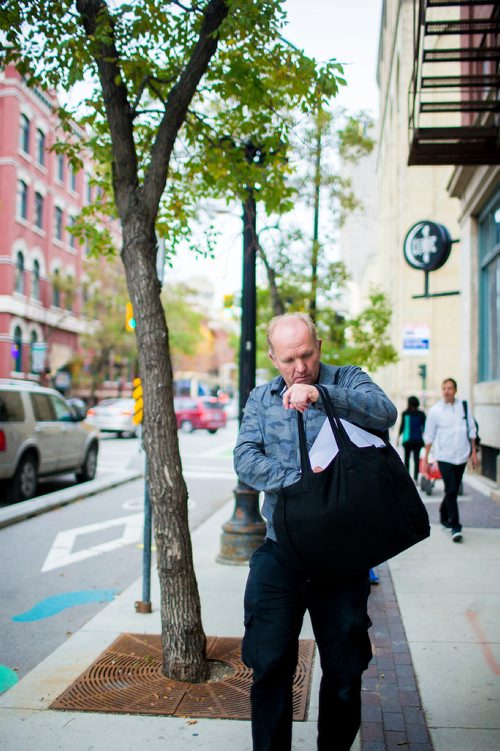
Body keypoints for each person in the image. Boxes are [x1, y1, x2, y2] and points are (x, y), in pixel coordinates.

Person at [234, 312, 397, 751]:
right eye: (288, 359)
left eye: (306, 354)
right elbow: (245, 456)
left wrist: (322, 395)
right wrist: (298, 483)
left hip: (342, 556)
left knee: (345, 672)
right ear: (273, 357)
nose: (299, 366)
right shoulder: (260, 398)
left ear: (319, 347)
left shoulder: (348, 379)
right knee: (268, 666)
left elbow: (385, 413)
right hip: (281, 550)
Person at [422, 377, 477, 543]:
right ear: (442, 390)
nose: (447, 391)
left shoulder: (464, 407)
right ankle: (455, 527)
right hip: (444, 456)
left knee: (451, 490)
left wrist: (474, 453)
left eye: (450, 388)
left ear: (455, 390)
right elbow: (429, 435)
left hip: (462, 455)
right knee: (452, 490)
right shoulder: (435, 411)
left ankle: (443, 513)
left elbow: (472, 430)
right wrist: (426, 458)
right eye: (444, 388)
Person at [398, 395, 426, 481]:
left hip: (407, 440)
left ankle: (407, 478)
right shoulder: (421, 414)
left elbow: (402, 426)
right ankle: (416, 478)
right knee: (416, 459)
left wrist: (398, 438)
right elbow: (425, 427)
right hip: (418, 439)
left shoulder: (405, 413)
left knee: (406, 458)